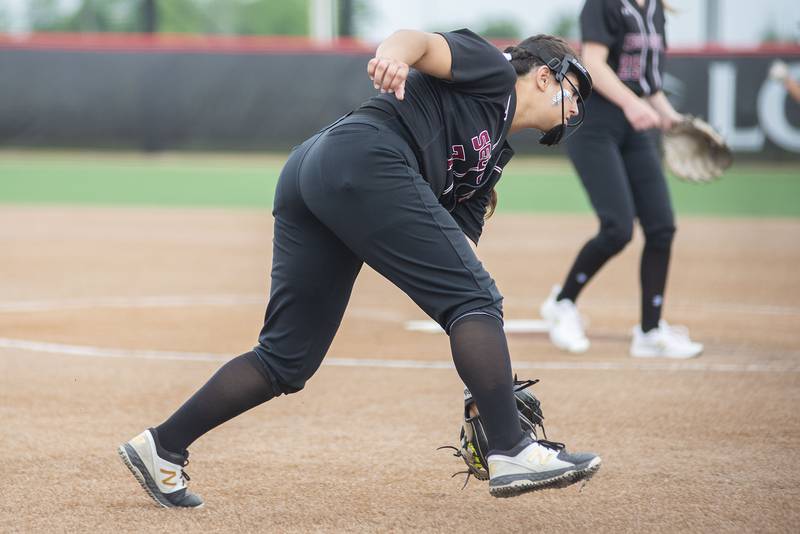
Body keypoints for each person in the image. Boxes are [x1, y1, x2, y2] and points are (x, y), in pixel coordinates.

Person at [118, 28, 600, 507]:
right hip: (361, 154)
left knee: (286, 360)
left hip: (321, 168)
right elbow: (419, 42)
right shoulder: (494, 71)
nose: (575, 110)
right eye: (573, 93)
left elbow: (460, 257)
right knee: (475, 300)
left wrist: (485, 391)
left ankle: (162, 446)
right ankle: (512, 450)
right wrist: (391, 56)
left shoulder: (492, 157)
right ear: (542, 77)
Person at [539, 0, 703, 359]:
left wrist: (673, 120)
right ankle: (563, 303)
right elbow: (594, 63)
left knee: (661, 227)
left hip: (636, 126)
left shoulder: (655, 9)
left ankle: (649, 331)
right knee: (617, 228)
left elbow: (650, 85)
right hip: (596, 125)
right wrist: (631, 104)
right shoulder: (603, 4)